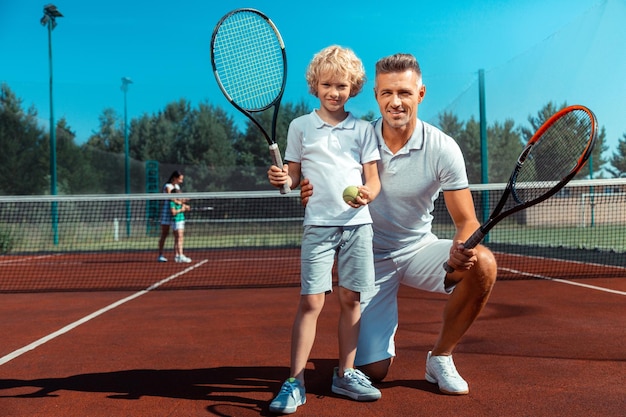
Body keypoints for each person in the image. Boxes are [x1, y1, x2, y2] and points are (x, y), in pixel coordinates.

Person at [296, 53, 498, 395]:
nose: (396, 102)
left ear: (420, 94)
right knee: (373, 371)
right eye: (387, 93)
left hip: (418, 249)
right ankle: (362, 357)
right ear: (376, 95)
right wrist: (309, 191)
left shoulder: (442, 148)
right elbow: (324, 188)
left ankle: (441, 357)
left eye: (404, 92)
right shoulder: (354, 140)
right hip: (369, 258)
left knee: (483, 264)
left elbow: (467, 220)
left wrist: (462, 246)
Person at [267, 45, 382, 414]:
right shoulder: (300, 126)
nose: (335, 92)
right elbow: (293, 178)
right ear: (315, 85)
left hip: (357, 227)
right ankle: (295, 381)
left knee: (352, 300)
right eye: (328, 84)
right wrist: (282, 178)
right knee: (311, 301)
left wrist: (367, 194)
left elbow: (374, 181)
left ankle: (345, 374)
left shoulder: (363, 129)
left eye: (343, 86)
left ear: (354, 88)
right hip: (317, 225)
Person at [157, 170, 185, 262]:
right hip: (167, 211)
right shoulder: (167, 186)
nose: (181, 181)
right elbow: (171, 198)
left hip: (175, 213)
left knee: (177, 234)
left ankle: (177, 255)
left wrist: (184, 202)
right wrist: (180, 203)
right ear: (174, 178)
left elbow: (180, 197)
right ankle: (160, 255)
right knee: (164, 234)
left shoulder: (177, 186)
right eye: (180, 179)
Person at [169, 188, 192, 263]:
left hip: (180, 221)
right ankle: (180, 255)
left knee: (178, 239)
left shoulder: (180, 202)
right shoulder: (172, 202)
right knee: (179, 238)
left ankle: (177, 256)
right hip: (176, 221)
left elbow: (185, 204)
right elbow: (173, 212)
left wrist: (186, 207)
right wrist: (181, 210)